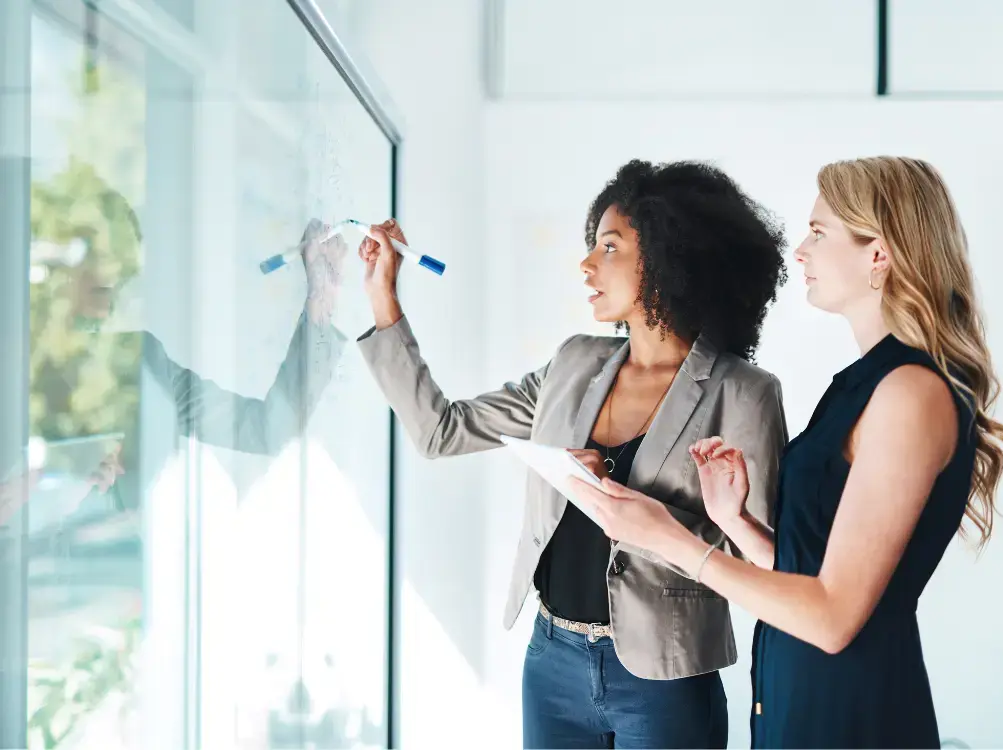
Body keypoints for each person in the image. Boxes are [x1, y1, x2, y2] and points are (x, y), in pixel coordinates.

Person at [569, 156, 1003, 748]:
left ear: (877, 256)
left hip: (851, 717)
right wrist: (739, 524)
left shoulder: (911, 395)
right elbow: (817, 575)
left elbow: (832, 618)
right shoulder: (861, 385)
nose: (799, 251)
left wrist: (667, 538)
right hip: (797, 702)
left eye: (819, 232)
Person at [357, 159, 788, 749]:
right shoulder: (574, 363)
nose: (587, 264)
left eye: (609, 247)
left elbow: (765, 567)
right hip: (551, 661)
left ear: (669, 257)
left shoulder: (744, 393)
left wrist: (624, 506)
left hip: (664, 675)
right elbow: (441, 430)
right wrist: (384, 297)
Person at [12, 165, 348, 526]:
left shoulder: (140, 366)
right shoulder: (20, 363)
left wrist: (320, 304)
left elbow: (267, 429)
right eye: (93, 251)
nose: (109, 273)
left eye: (120, 260)